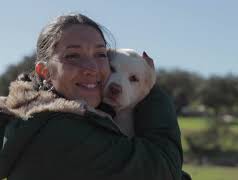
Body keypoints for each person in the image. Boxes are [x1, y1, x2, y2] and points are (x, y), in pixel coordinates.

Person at [0, 13, 190, 180]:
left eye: (100, 54)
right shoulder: (58, 131)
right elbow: (162, 169)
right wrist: (148, 83)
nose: (91, 68)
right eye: (73, 56)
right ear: (45, 72)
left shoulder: (56, 116)